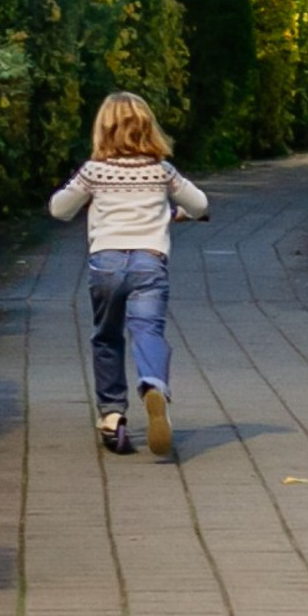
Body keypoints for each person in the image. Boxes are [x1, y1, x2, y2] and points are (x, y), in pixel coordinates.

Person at [49, 92, 208, 458]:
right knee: (147, 331)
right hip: (149, 263)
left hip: (105, 264)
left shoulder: (94, 171)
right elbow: (199, 205)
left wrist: (88, 197)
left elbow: (59, 209)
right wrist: (175, 214)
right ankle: (153, 384)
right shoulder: (161, 171)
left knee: (107, 337)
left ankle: (113, 415)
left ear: (102, 130)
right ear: (148, 127)